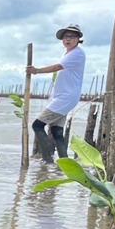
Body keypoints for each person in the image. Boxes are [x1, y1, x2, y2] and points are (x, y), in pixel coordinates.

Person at [26, 24, 86, 162]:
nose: (68, 39)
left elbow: (57, 67)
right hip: (64, 97)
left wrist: (36, 71)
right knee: (56, 131)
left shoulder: (77, 53)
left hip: (65, 98)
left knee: (37, 125)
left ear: (78, 39)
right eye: (65, 37)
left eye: (72, 36)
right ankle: (64, 162)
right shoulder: (68, 53)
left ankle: (47, 160)